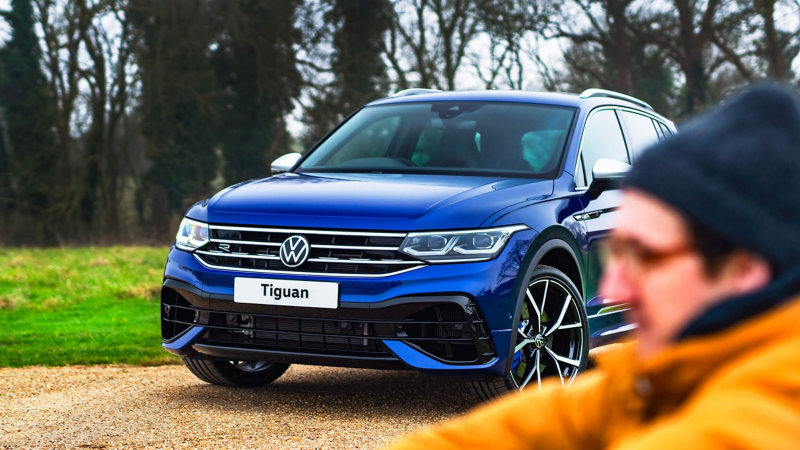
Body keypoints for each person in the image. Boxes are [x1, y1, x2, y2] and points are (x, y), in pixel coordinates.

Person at [385, 83, 800, 450]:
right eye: (616, 253)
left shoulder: (767, 414)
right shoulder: (659, 376)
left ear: (744, 268)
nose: (614, 289)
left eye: (648, 257)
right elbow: (536, 422)